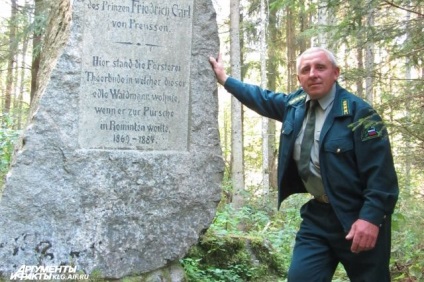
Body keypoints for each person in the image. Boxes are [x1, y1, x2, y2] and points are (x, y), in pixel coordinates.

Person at [209, 47, 399, 281]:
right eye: (305, 70)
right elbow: (261, 98)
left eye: (320, 67)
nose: (313, 74)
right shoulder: (294, 105)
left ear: (336, 73)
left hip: (357, 217)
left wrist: (371, 218)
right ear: (299, 78)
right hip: (318, 217)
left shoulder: (361, 114)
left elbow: (382, 176)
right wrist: (225, 79)